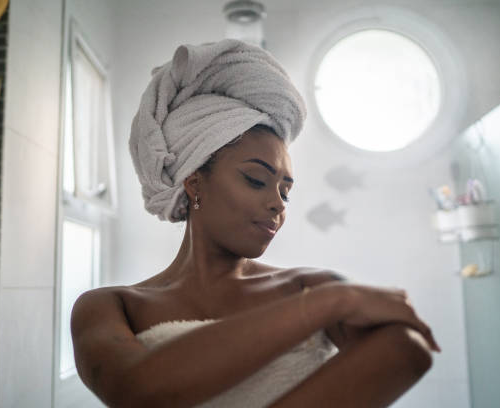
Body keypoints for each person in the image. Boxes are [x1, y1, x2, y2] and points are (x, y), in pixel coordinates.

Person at [70, 39, 441, 408]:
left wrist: (329, 297)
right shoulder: (107, 306)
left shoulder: (306, 286)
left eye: (286, 191)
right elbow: (134, 391)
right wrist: (332, 303)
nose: (277, 203)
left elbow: (408, 350)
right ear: (195, 183)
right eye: (255, 180)